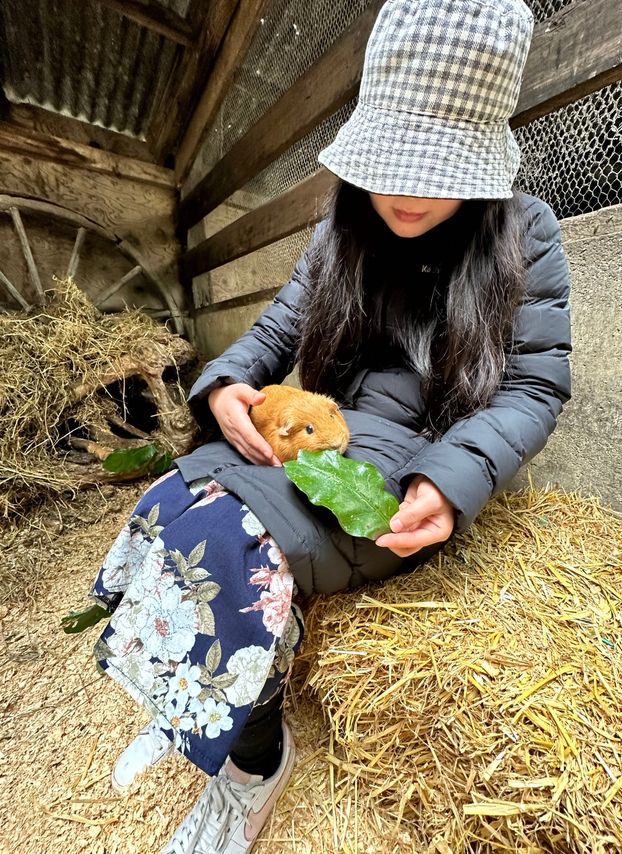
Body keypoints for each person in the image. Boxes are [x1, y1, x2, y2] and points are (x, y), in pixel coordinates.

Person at [89, 0, 572, 851]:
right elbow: (276, 331)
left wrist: (452, 483)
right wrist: (230, 381)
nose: (405, 191)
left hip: (413, 463)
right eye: (392, 160)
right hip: (320, 432)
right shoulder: (341, 228)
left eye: (436, 167)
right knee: (171, 501)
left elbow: (534, 386)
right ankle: (198, 701)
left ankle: (252, 764)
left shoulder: (524, 233)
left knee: (231, 550)